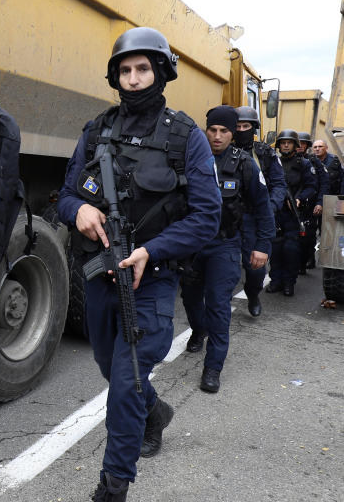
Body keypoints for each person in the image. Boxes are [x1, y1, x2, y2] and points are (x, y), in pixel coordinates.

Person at [57, 26, 221, 501]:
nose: (133, 78)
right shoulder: (96, 129)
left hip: (149, 280)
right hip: (99, 277)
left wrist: (153, 249)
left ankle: (113, 486)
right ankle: (156, 413)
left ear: (161, 71)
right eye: (125, 70)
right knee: (114, 372)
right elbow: (66, 195)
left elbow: (206, 217)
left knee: (125, 382)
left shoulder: (185, 136)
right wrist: (79, 211)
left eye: (142, 68)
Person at [180, 106, 274, 393]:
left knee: (218, 305)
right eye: (212, 130)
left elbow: (263, 207)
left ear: (233, 134)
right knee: (191, 298)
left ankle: (213, 367)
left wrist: (262, 245)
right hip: (191, 245)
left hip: (226, 244)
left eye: (224, 131)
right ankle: (198, 330)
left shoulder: (245, 164)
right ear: (205, 130)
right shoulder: (188, 159)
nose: (217, 136)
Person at [234, 107, 287, 316]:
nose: (241, 130)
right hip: (227, 218)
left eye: (245, 126)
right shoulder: (221, 151)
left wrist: (270, 207)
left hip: (255, 218)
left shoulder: (265, 153)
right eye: (237, 126)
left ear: (253, 128)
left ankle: (253, 294)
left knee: (255, 270)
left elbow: (279, 184)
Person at [267, 131, 317, 296]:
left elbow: (311, 186)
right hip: (276, 212)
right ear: (279, 145)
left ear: (295, 145)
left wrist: (299, 199)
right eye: (283, 143)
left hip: (294, 214)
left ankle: (289, 283)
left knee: (291, 249)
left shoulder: (303, 164)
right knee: (275, 249)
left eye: (289, 142)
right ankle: (276, 281)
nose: (286, 145)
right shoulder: (274, 162)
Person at [295, 132, 327, 274]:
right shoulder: (289, 160)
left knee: (308, 236)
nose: (300, 146)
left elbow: (324, 185)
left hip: (310, 205)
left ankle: (306, 260)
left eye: (303, 143)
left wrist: (320, 203)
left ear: (307, 145)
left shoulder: (315, 162)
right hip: (293, 205)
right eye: (298, 143)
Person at [310, 139, 340, 268]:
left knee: (327, 232)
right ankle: (309, 258)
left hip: (330, 202)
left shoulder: (334, 162)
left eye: (320, 146)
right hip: (312, 201)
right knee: (310, 232)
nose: (317, 149)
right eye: (315, 147)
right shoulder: (309, 162)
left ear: (326, 148)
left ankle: (327, 259)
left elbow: (341, 182)